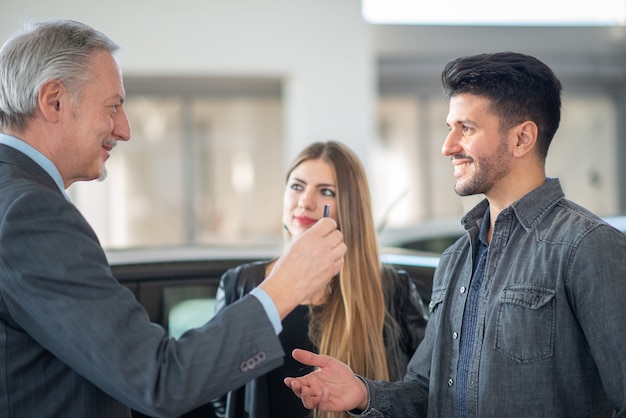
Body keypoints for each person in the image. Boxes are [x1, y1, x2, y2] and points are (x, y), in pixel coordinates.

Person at [0, 19, 346, 418]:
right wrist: (288, 283)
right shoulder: (32, 213)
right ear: (54, 100)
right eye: (113, 106)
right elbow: (161, 380)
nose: (124, 129)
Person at [284, 52, 626, 417]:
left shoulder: (588, 247)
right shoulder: (456, 260)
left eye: (466, 128)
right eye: (450, 128)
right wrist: (363, 393)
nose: (448, 146)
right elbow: (424, 391)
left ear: (522, 138)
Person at [210, 141, 428, 418]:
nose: (305, 201)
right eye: (297, 186)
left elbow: (423, 391)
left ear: (350, 208)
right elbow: (217, 392)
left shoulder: (390, 289)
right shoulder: (241, 283)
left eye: (326, 191)